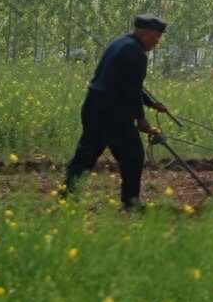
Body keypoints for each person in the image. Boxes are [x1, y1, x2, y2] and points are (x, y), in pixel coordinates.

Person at [62, 14, 170, 210]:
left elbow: (128, 85)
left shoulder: (120, 43)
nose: (157, 43)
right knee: (133, 156)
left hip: (94, 107)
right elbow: (131, 90)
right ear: (145, 33)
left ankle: (66, 196)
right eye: (156, 37)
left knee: (85, 155)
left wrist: (152, 103)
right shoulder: (136, 53)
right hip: (113, 114)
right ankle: (131, 203)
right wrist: (141, 119)